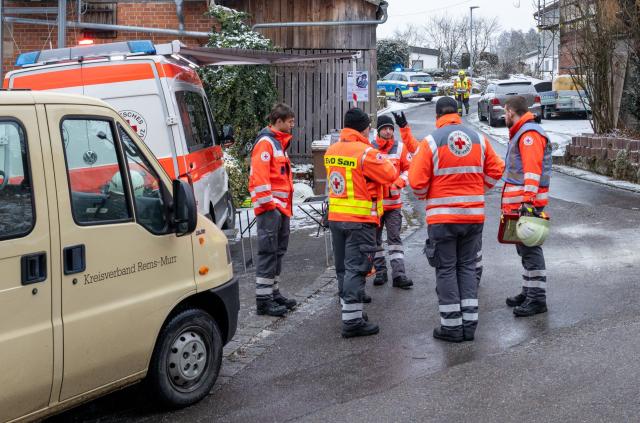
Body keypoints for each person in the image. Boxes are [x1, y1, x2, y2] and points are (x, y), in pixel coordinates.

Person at [409, 97, 504, 343]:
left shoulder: (431, 141)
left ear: (437, 115)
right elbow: (497, 169)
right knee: (468, 267)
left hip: (443, 219)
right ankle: (469, 325)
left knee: (447, 268)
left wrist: (426, 196)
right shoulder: (478, 139)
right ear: (458, 113)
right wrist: (479, 189)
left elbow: (417, 182)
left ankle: (452, 327)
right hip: (473, 217)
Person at [326, 108, 398, 338]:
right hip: (360, 220)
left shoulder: (332, 150)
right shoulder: (366, 153)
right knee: (356, 269)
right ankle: (352, 321)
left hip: (337, 218)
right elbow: (389, 174)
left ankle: (349, 310)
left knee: (343, 269)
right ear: (364, 127)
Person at [502, 96, 552, 317]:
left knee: (531, 250)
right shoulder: (523, 133)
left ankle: (537, 299)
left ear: (512, 112)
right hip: (520, 205)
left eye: (505, 112)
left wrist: (527, 202)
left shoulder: (529, 135)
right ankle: (529, 291)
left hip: (526, 205)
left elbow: (532, 171)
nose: (504, 116)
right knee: (524, 250)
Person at [249, 103, 298, 317]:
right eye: (290, 121)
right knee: (268, 253)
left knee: (277, 252)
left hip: (280, 209)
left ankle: (273, 293)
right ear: (278, 121)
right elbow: (259, 178)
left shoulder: (278, 143)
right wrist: (270, 206)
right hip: (271, 209)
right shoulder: (267, 143)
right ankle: (263, 301)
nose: (292, 125)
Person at [369, 114, 414, 289]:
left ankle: (399, 275)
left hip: (393, 204)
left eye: (390, 128)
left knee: (395, 240)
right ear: (378, 131)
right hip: (375, 205)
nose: (388, 132)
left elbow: (409, 170)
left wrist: (400, 182)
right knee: (375, 240)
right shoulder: (370, 149)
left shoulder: (400, 148)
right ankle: (380, 272)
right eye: (384, 129)